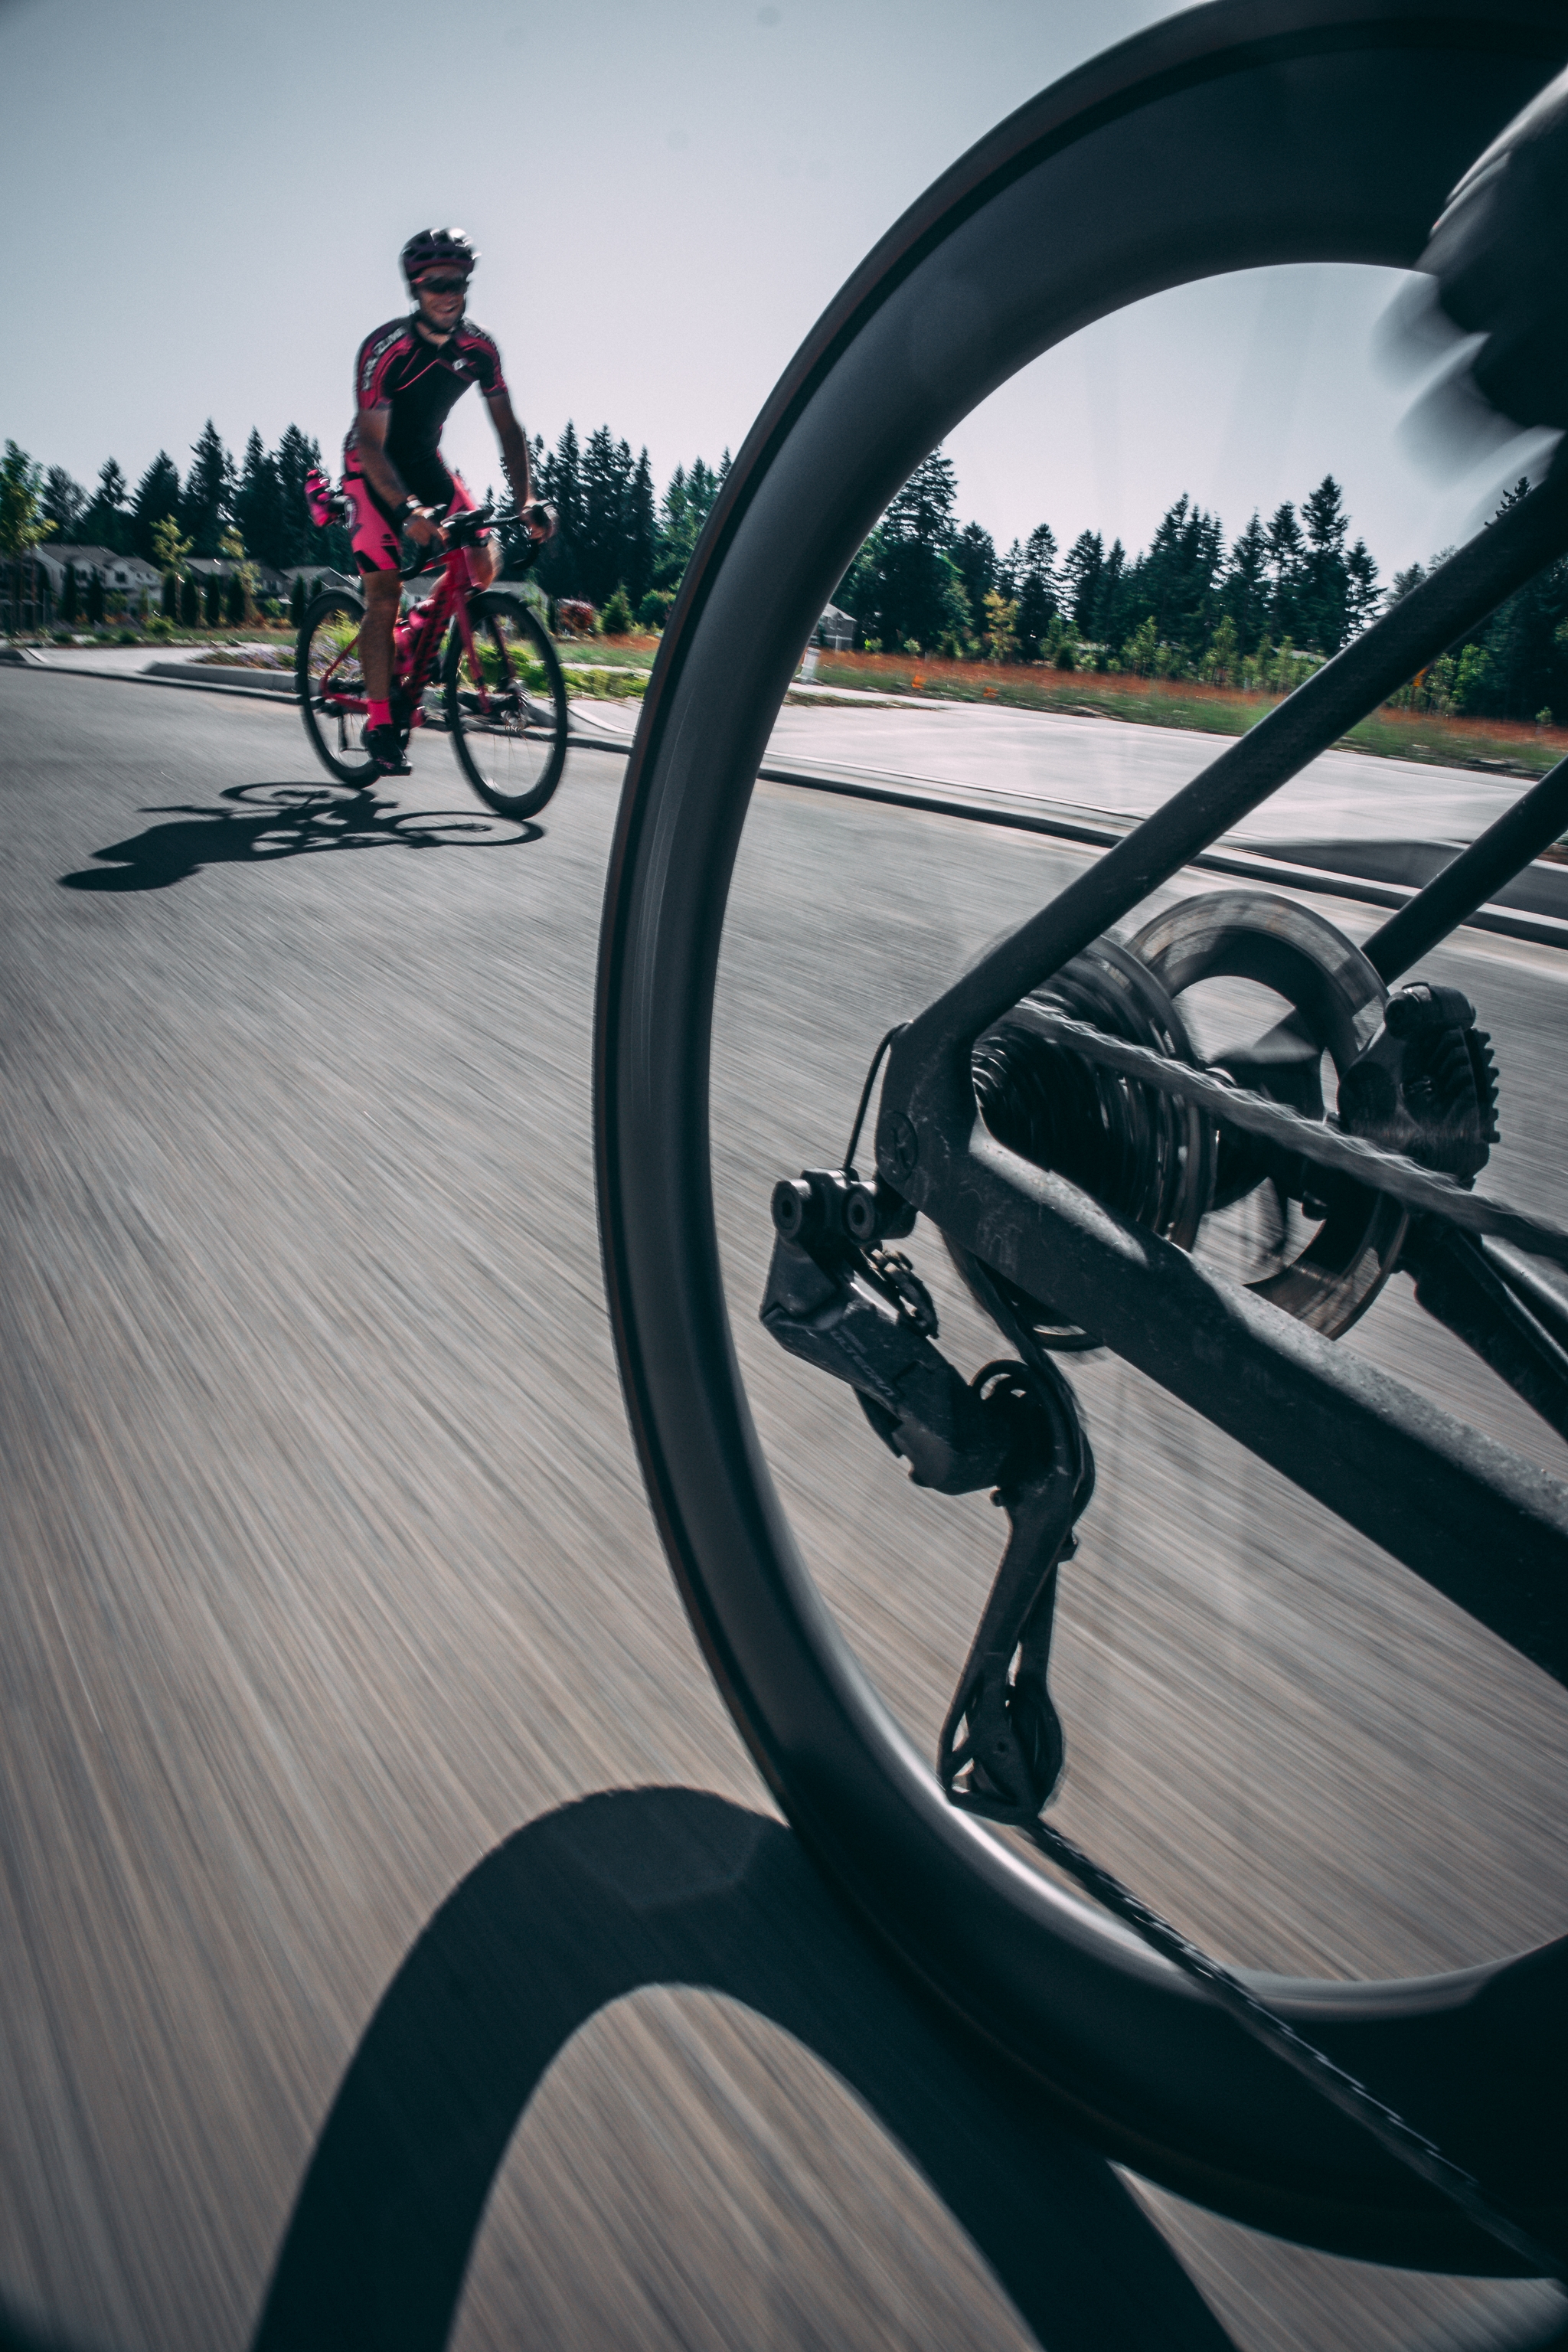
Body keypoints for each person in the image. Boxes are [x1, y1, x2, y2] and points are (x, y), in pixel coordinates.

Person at [343, 227, 547, 775]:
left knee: (479, 562)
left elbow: (509, 431)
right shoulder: (385, 349)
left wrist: (527, 499)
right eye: (436, 283)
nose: (448, 292)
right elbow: (370, 443)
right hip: (373, 466)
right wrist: (408, 510)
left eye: (457, 281)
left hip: (427, 460)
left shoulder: (480, 349)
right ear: (416, 287)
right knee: (384, 590)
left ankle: (418, 635)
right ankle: (382, 722)